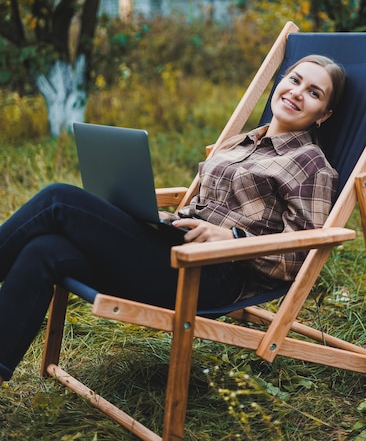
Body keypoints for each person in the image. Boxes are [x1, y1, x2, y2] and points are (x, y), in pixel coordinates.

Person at [0, 54, 345, 384]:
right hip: (176, 249)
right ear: (281, 82)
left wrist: (233, 239)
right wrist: (164, 218)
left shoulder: (310, 164)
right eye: (294, 80)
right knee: (47, 249)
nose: (297, 93)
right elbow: (201, 206)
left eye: (314, 93)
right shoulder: (240, 143)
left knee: (58, 199)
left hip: (215, 275)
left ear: (324, 115)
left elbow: (301, 256)